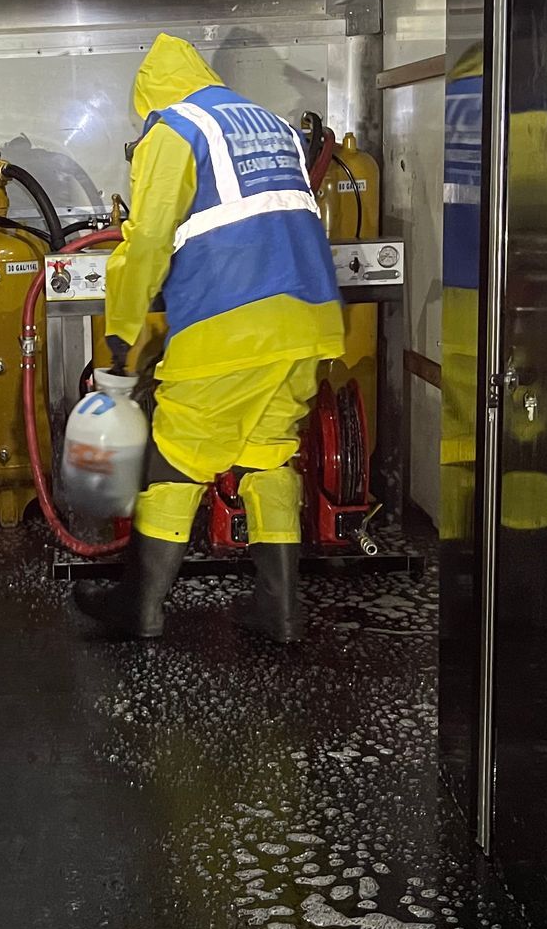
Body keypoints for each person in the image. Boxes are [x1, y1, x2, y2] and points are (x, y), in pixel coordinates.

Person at [76, 34, 345, 643]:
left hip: (233, 323)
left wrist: (120, 339)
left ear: (150, 98)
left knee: (174, 460)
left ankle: (139, 610)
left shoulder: (175, 129)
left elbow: (145, 244)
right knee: (269, 454)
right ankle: (280, 614)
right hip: (309, 319)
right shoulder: (271, 125)